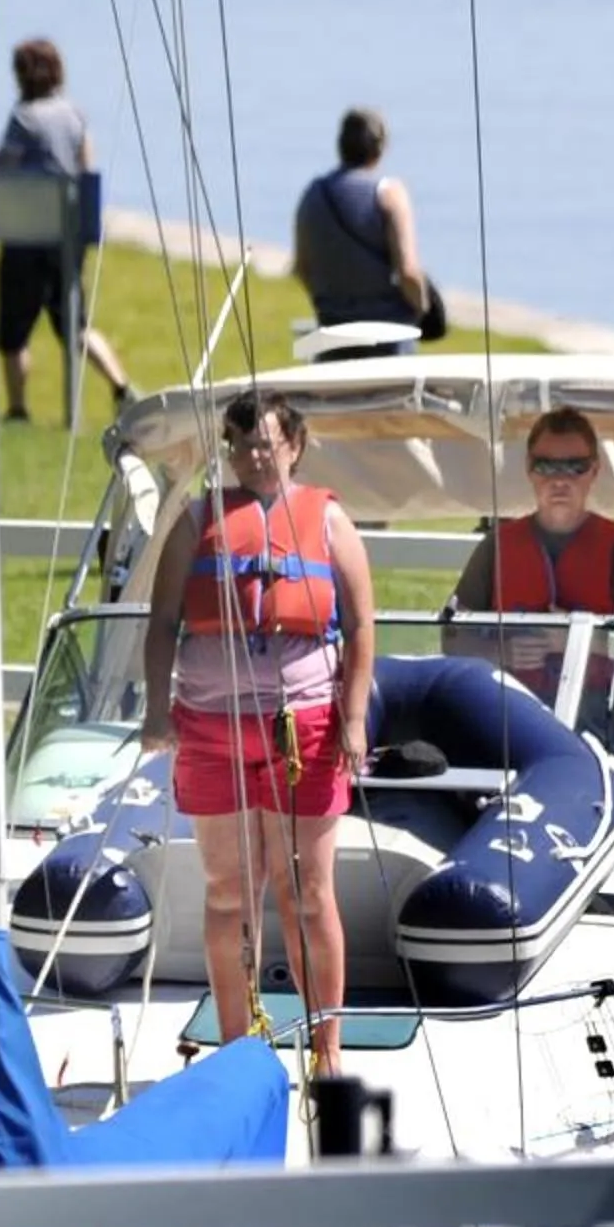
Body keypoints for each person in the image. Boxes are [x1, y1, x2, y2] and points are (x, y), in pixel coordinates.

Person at [139, 389, 377, 1074]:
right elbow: (161, 625)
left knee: (306, 891)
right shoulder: (195, 520)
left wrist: (354, 717)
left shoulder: (329, 522)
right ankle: (239, 1053)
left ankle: (326, 1049)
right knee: (227, 890)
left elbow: (361, 627)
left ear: (294, 446)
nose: (252, 458)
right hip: (211, 728)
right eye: (240, 446)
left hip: (304, 729)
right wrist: (158, 711)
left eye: (266, 445)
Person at [448, 410, 614, 716]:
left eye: (575, 467)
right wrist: (499, 652)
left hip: (595, 718)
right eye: (547, 466)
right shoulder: (497, 546)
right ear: (529, 469)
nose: (560, 480)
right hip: (509, 715)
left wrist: (581, 641)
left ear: (594, 471)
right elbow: (452, 639)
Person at [0, 37, 131, 420]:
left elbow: (3, 169)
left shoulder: (23, 118)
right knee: (76, 325)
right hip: (66, 240)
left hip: (26, 238)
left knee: (13, 330)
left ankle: (18, 407)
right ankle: (121, 386)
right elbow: (87, 169)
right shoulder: (75, 116)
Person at [292, 108, 438, 345]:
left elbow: (301, 267)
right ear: (380, 148)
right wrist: (422, 309)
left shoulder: (313, 194)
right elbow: (408, 273)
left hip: (333, 328)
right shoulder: (390, 194)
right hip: (388, 333)